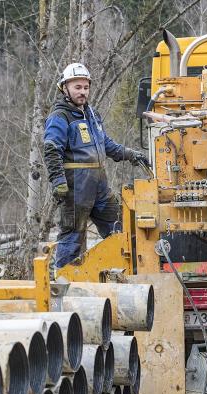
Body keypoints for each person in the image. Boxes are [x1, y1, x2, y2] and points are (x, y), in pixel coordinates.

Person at [44, 63, 150, 268]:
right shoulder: (60, 116)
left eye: (85, 87)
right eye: (77, 87)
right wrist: (58, 181)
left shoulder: (92, 115)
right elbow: (51, 149)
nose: (83, 92)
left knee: (120, 230)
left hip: (99, 187)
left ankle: (125, 273)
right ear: (64, 88)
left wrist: (129, 154)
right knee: (72, 237)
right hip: (75, 189)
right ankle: (62, 285)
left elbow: (106, 144)